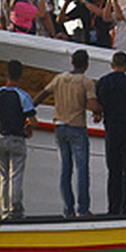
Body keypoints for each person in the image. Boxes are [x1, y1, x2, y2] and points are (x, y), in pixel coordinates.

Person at [34, 48, 100, 218]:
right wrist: (99, 110)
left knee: (65, 170)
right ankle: (83, 209)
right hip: (76, 127)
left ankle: (68, 210)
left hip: (59, 127)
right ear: (86, 64)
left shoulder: (59, 78)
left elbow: (43, 94)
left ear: (72, 62)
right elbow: (92, 105)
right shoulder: (85, 82)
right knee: (81, 170)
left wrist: (29, 109)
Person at [0, 60, 37, 219]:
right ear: (21, 75)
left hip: (0, 138)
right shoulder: (23, 96)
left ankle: (4, 212)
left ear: (6, 75)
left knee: (3, 177)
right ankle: (15, 210)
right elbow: (33, 121)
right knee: (15, 176)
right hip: (16, 139)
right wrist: (28, 128)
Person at [96, 51, 126, 215]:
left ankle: (113, 208)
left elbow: (99, 103)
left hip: (111, 128)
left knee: (113, 170)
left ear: (112, 64)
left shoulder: (103, 83)